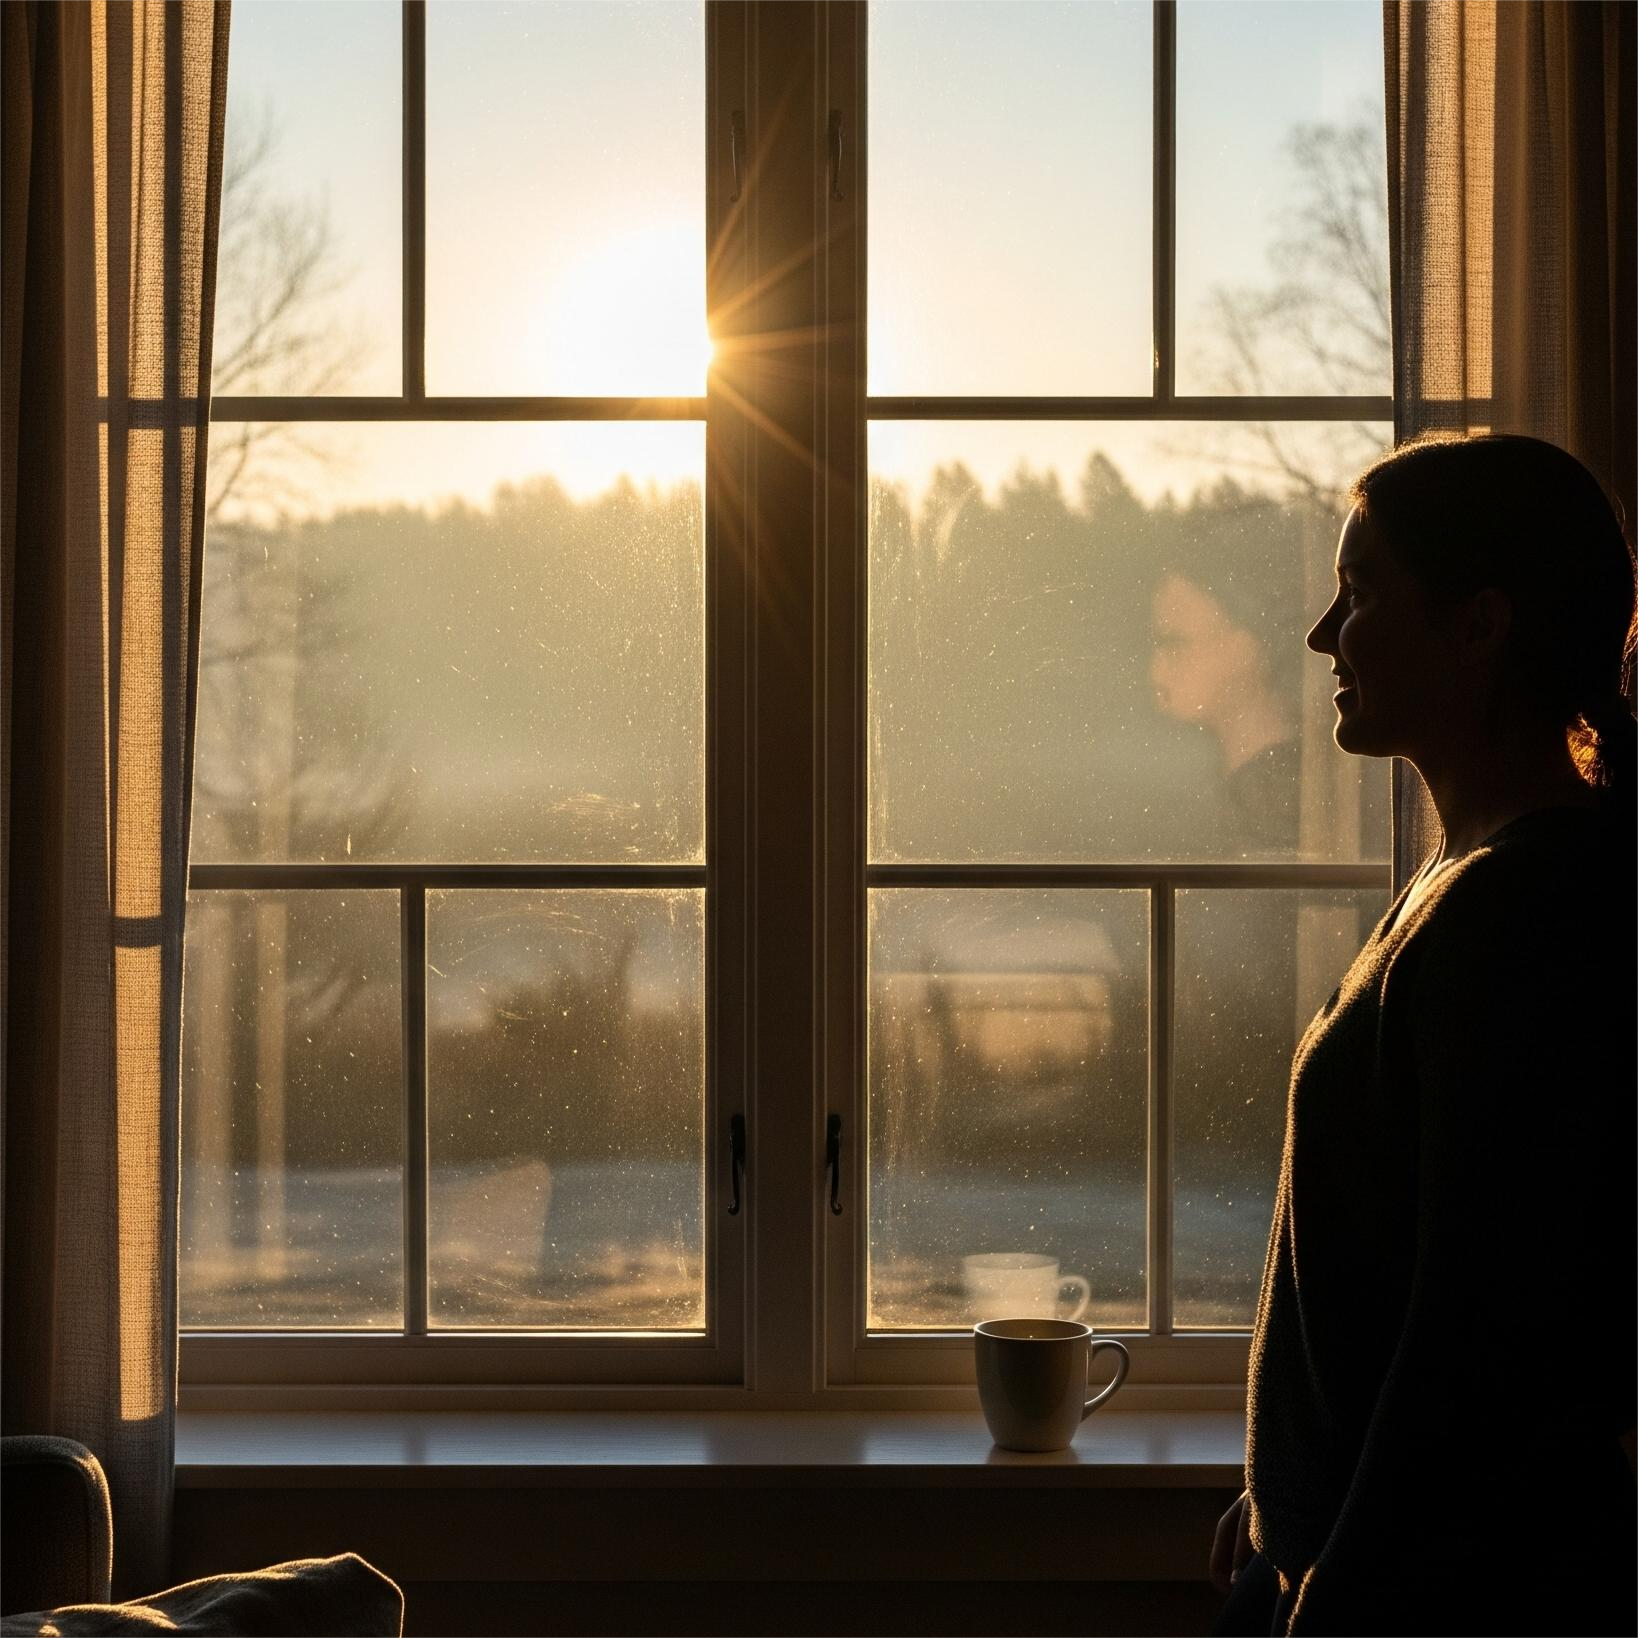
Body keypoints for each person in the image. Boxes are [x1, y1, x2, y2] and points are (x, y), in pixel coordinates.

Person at [1207, 434, 1638, 1635]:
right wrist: (1276, 1502)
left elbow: (1479, 1320)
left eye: (1361, 592)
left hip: (1437, 1598)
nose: (1321, 635)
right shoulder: (1466, 877)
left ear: (1478, 624)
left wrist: (1345, 1576)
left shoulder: (1529, 911)